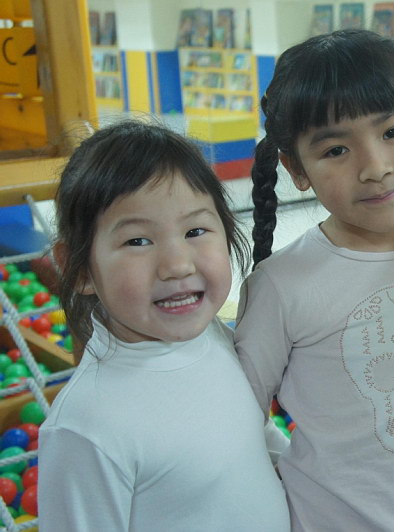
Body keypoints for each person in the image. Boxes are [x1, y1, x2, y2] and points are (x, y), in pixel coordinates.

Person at [235, 29, 394, 531]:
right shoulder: (280, 286)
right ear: (296, 168)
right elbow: (237, 423)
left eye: (392, 132)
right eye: (336, 150)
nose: (374, 168)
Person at [38, 120, 290, 531]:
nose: (177, 265)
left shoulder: (217, 338)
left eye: (195, 231)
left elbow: (253, 439)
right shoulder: (86, 427)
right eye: (137, 241)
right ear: (79, 268)